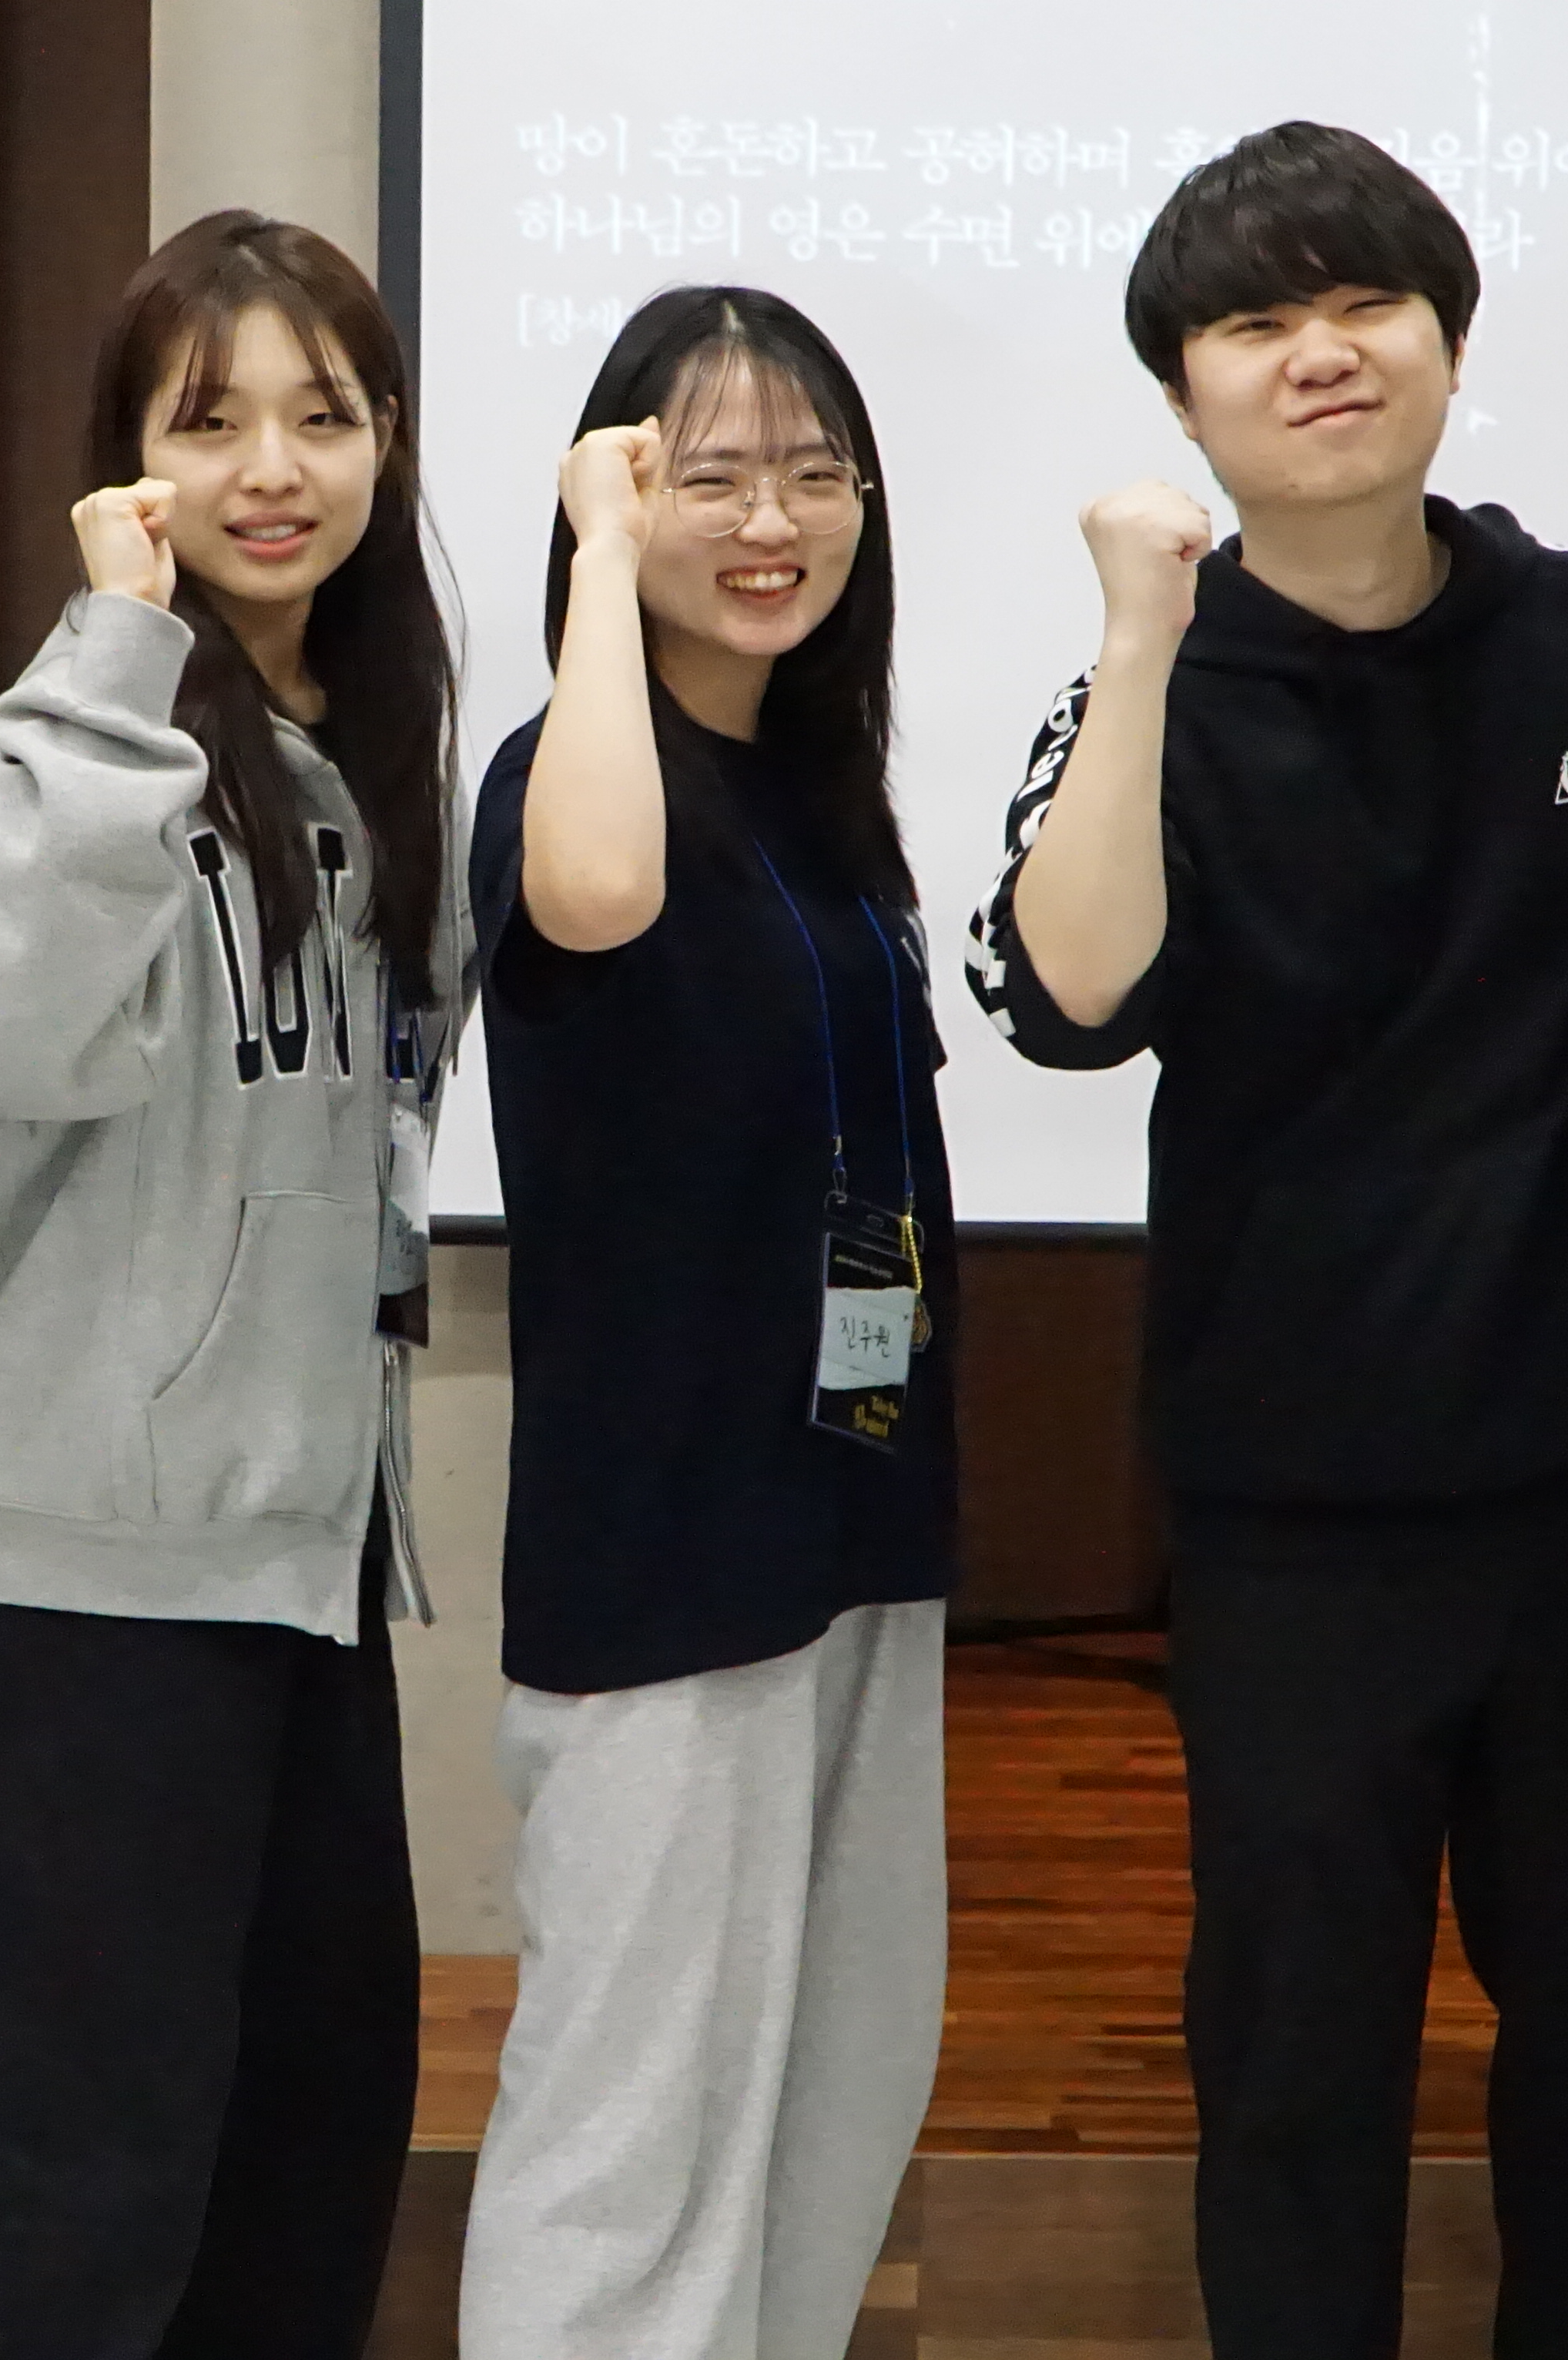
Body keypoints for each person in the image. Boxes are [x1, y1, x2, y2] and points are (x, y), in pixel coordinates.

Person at [966, 122, 1568, 2360]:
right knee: (1298, 2069)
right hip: (1295, 1519)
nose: (1321, 353)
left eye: (1366, 303)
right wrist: (1141, 635)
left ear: (1452, 343)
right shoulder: (1154, 692)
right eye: (1255, 323)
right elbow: (1069, 997)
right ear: (1184, 397)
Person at [0, 210, 464, 2360]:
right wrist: (118, 645)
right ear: (130, 463)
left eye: (325, 416)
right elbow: (4, 1024)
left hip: (301, 1576)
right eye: (211, 421)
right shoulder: (83, 733)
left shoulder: (375, 757)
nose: (272, 469)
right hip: (80, 1589)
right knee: (48, 2207)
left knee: (295, 2167)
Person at [455, 287, 960, 2358]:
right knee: (631, 2120)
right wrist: (594, 559)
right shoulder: (569, 770)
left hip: (854, 1524)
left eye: (816, 475)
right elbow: (589, 898)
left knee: (836, 2079)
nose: (773, 520)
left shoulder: (822, 798)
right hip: (667, 1559)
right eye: (714, 475)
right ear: (620, 494)